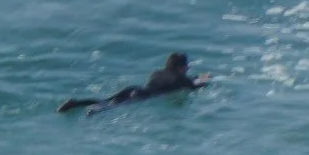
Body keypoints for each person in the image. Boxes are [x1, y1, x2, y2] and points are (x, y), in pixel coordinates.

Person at [60, 52, 208, 114]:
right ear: (180, 68)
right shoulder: (181, 79)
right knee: (111, 107)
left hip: (134, 89)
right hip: (142, 96)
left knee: (106, 101)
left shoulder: (157, 72)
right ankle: (95, 111)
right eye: (186, 67)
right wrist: (206, 79)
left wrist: (195, 78)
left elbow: (187, 80)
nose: (188, 69)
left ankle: (75, 103)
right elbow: (195, 86)